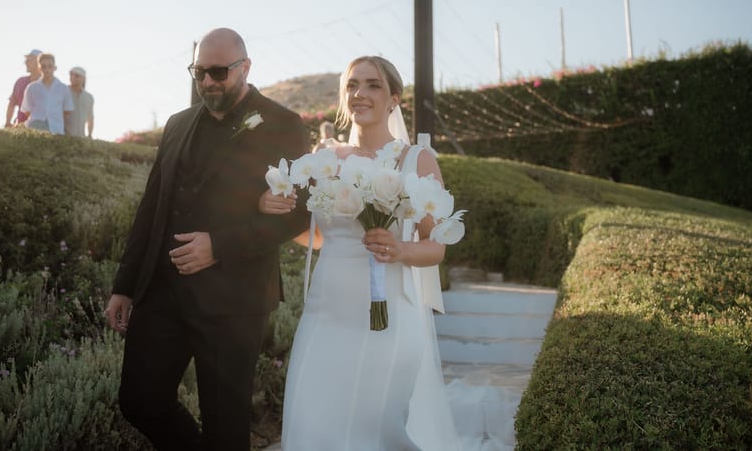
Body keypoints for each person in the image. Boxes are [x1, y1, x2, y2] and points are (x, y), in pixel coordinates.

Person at [104, 27, 310, 450]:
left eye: (219, 73)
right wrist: (125, 286)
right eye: (200, 73)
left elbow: (299, 215)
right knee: (140, 401)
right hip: (162, 293)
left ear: (245, 67)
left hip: (234, 299)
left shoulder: (283, 125)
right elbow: (152, 207)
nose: (208, 83)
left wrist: (218, 245)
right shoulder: (177, 125)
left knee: (226, 424)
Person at [259, 56, 461, 450]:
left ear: (393, 100)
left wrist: (400, 248)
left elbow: (436, 246)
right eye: (352, 85)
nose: (359, 94)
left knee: (372, 430)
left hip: (386, 319)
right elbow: (319, 237)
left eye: (372, 85)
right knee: (311, 419)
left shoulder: (415, 160)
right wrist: (276, 216)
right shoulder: (324, 158)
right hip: (326, 311)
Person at [21, 53, 74, 134]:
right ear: (39, 68)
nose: (47, 69)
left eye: (50, 66)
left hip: (57, 130)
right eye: (43, 66)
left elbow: (67, 110)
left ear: (55, 68)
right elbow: (27, 110)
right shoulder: (31, 88)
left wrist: (55, 117)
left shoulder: (63, 88)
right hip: (36, 129)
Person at [4, 49, 42, 128]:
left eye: (29, 60)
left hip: (40, 128)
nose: (26, 62)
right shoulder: (20, 82)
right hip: (20, 127)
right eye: (26, 60)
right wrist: (8, 122)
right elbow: (12, 103)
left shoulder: (47, 85)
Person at [65, 66, 95, 138]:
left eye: (76, 76)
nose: (73, 77)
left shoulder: (89, 97)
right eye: (71, 75)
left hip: (81, 138)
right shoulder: (64, 92)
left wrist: (90, 135)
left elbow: (90, 118)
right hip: (64, 137)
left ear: (83, 79)